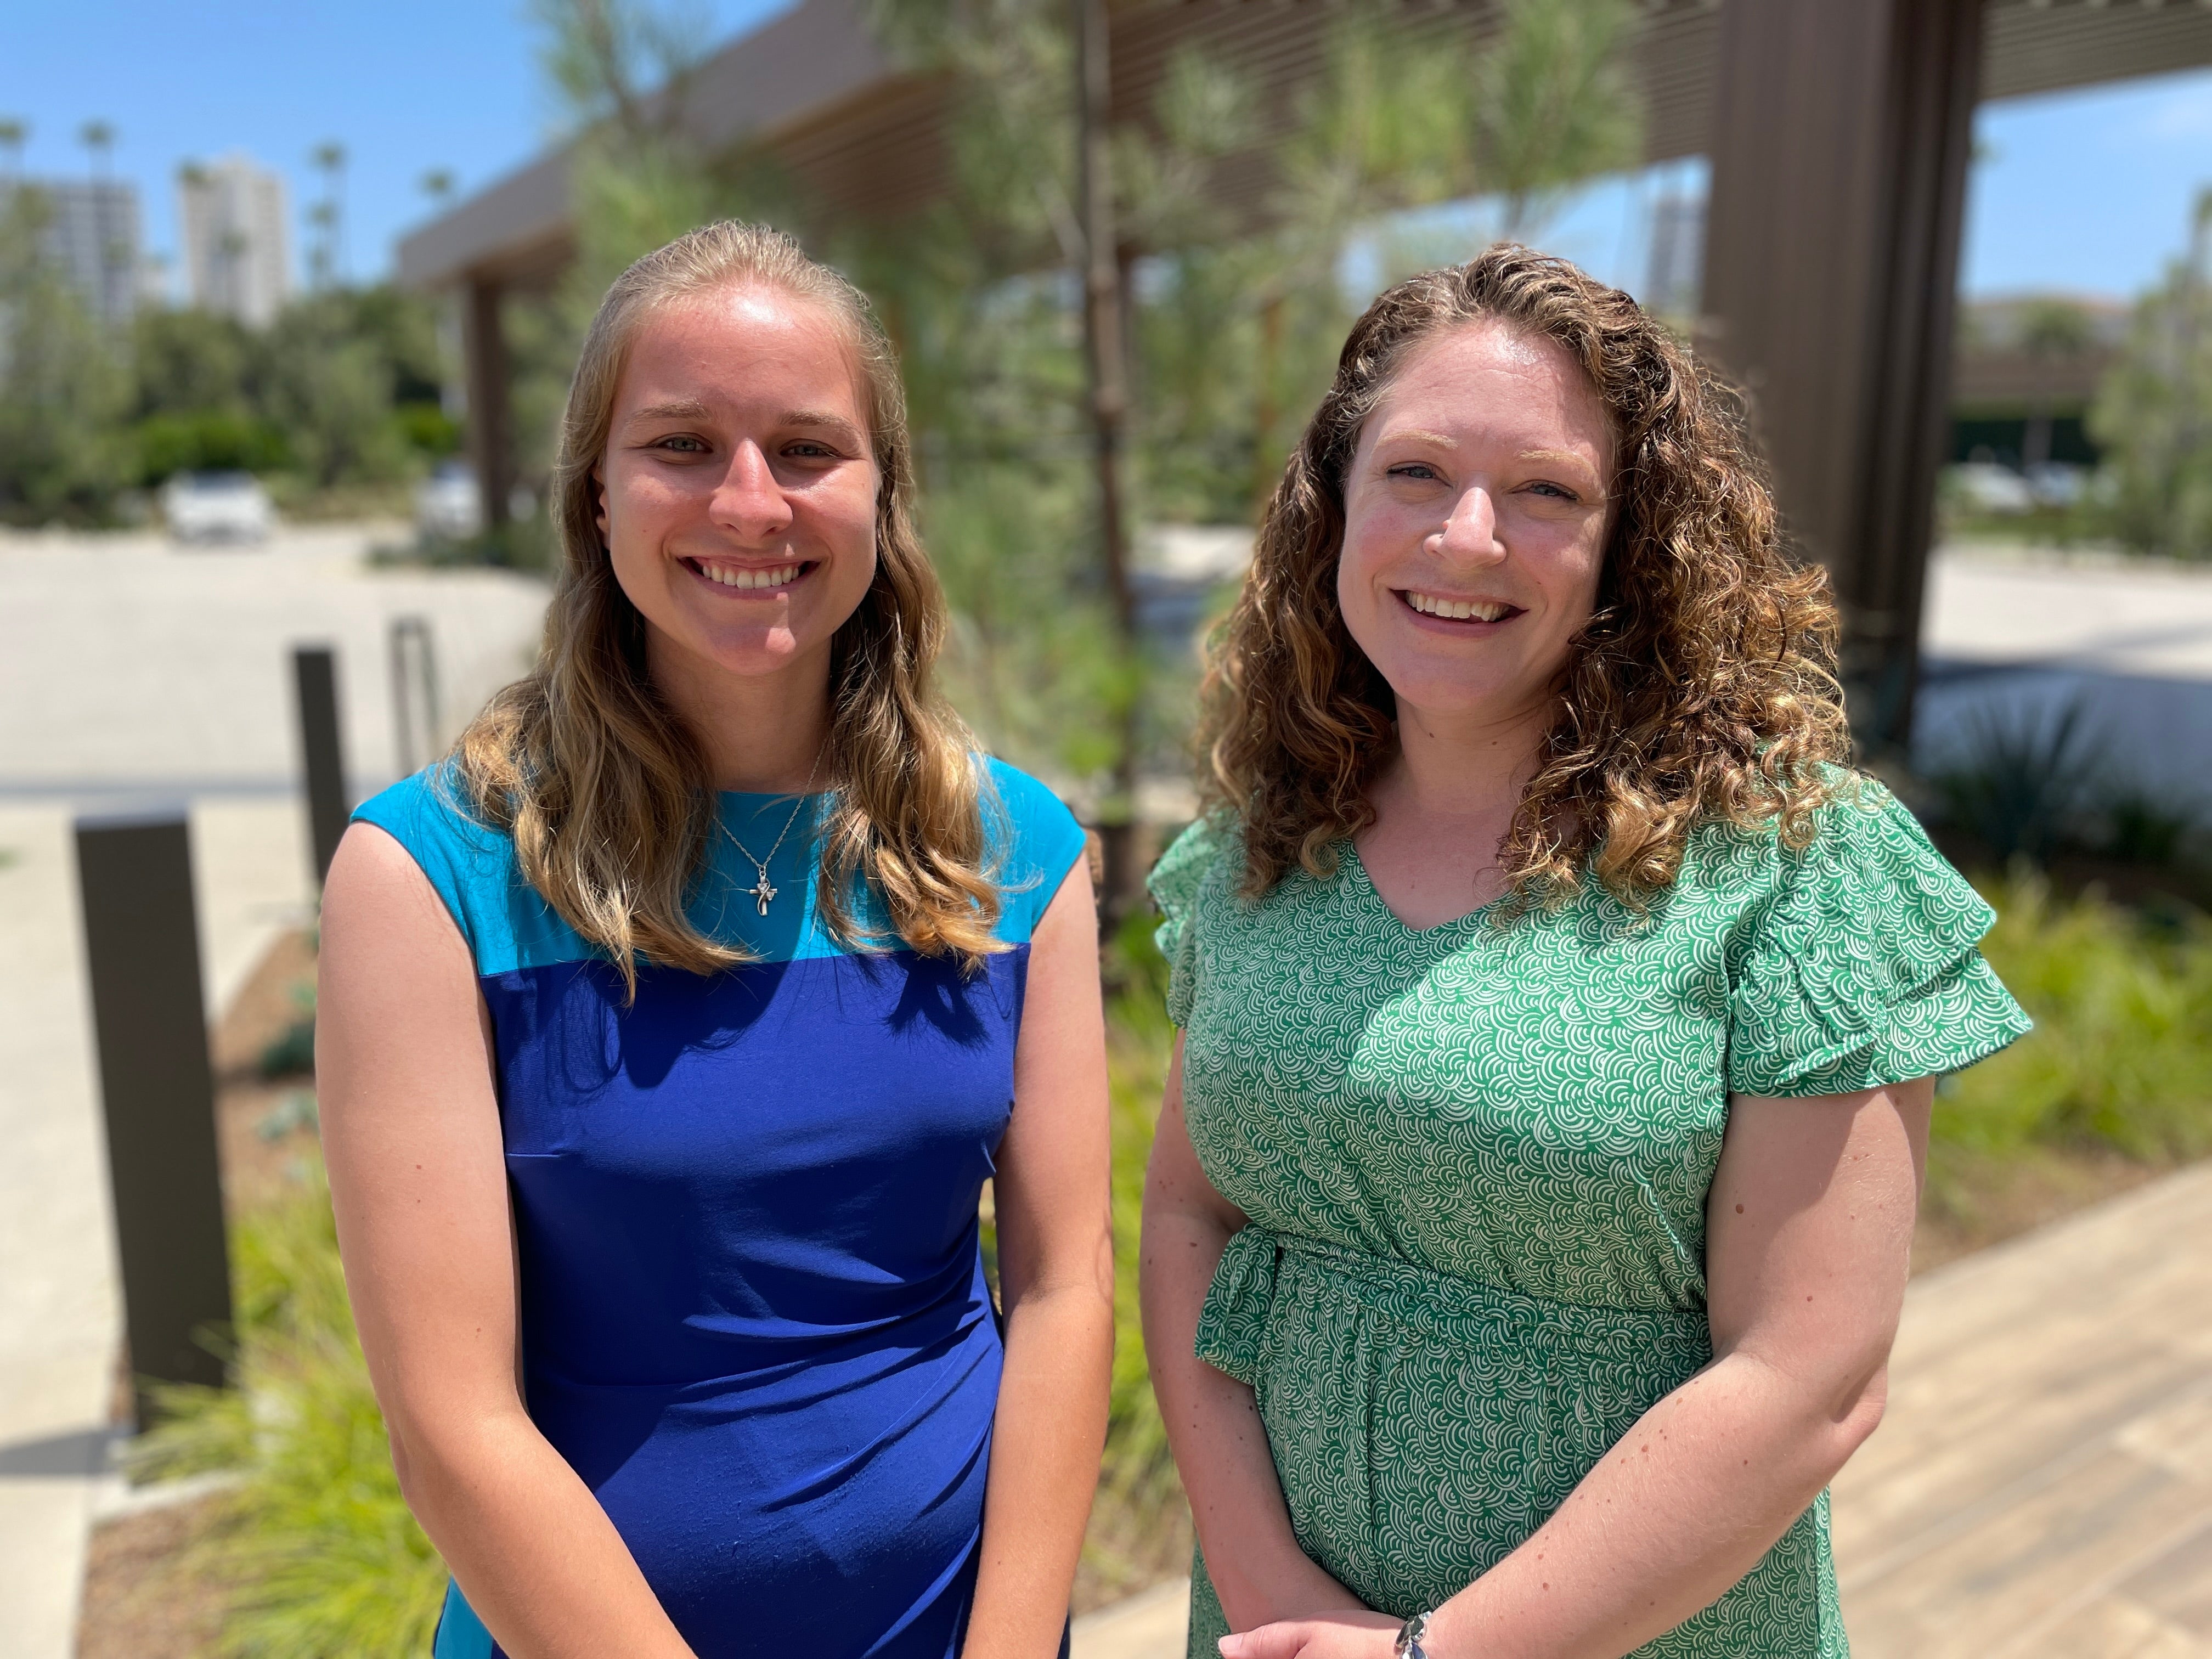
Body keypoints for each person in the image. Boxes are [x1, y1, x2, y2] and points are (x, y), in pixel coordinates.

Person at [1138, 246, 2030, 1659]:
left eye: (1546, 492)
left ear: (1633, 543)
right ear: (1334, 503)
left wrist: (1435, 1655)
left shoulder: (1794, 866)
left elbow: (1811, 1377)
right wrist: (1265, 1587)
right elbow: (1191, 1217)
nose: (1467, 538)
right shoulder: (1262, 844)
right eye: (1416, 472)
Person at [318, 222, 1114, 1659]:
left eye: (807, 450)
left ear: (883, 496)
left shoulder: (1015, 853)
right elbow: (452, 1425)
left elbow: (1064, 1294)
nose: (750, 502)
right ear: (596, 492)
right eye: (682, 445)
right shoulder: (431, 875)